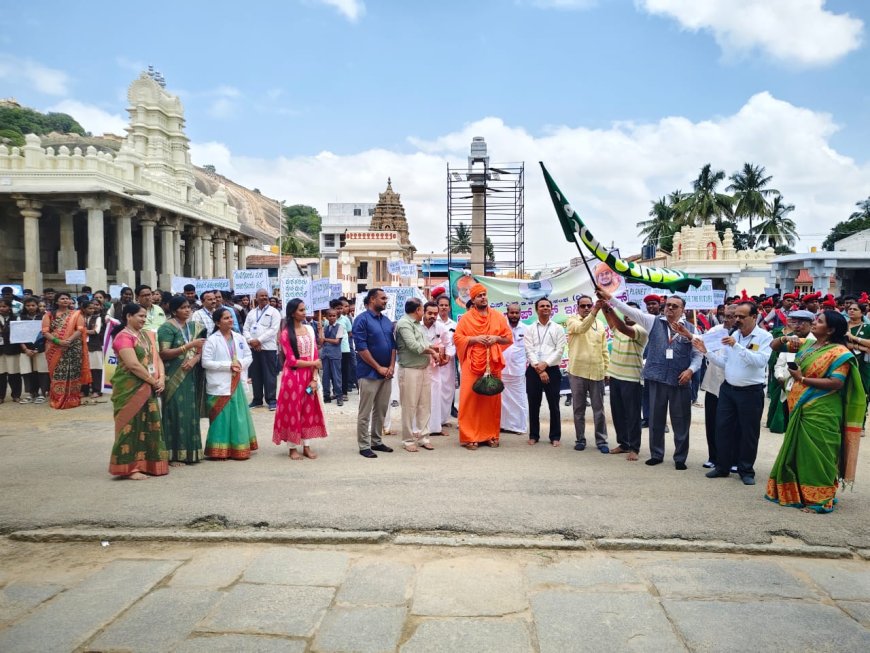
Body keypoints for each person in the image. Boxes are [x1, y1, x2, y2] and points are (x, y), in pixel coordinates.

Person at [766, 310, 866, 513]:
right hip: (801, 407)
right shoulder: (809, 344)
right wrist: (786, 337)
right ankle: (800, 493)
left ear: (830, 329)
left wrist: (801, 379)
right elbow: (774, 346)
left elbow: (836, 383)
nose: (814, 323)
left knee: (819, 454)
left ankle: (820, 500)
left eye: (819, 322)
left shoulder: (840, 353)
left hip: (823, 410)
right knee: (801, 451)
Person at [600, 288, 701, 469]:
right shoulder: (653, 322)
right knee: (655, 419)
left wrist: (691, 371)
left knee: (681, 421)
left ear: (682, 310)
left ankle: (680, 458)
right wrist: (610, 299)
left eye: (674, 306)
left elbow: (698, 355)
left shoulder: (692, 330)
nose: (669, 308)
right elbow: (630, 311)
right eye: (667, 305)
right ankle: (656, 454)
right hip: (656, 379)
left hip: (680, 380)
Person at [695, 301, 773, 485]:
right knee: (722, 429)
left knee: (748, 432)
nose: (737, 319)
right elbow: (725, 363)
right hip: (728, 390)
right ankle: (722, 467)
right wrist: (706, 352)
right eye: (735, 316)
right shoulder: (734, 334)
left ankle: (746, 470)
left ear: (754, 317)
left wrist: (737, 346)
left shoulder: (764, 337)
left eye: (741, 316)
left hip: (750, 392)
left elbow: (759, 362)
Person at [108, 303, 169, 479]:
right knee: (130, 425)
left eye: (145, 316)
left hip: (150, 386)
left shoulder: (147, 335)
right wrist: (153, 381)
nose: (143, 319)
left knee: (150, 423)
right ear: (128, 316)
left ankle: (149, 463)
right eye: (140, 316)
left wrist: (162, 378)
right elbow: (133, 365)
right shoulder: (122, 337)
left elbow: (157, 358)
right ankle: (129, 468)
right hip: (130, 387)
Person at [453, 283, 512, 450]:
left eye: (485, 294)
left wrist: (496, 339)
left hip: (492, 363)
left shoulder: (498, 317)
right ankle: (469, 436)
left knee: (491, 399)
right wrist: (474, 339)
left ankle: (490, 435)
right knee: (470, 400)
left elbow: (507, 338)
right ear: (473, 299)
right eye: (479, 296)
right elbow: (457, 339)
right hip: (472, 363)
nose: (483, 298)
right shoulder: (466, 319)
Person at [273, 298, 328, 460]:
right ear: (292, 313)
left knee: (308, 410)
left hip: (308, 376)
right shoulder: (285, 334)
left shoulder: (309, 330)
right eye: (301, 310)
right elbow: (291, 361)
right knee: (293, 410)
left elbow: (315, 354)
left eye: (305, 309)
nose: (305, 313)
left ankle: (306, 446)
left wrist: (314, 378)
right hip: (292, 377)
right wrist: (313, 363)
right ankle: (292, 448)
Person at [201, 307, 258, 460]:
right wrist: (228, 365)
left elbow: (249, 356)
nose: (230, 320)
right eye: (226, 318)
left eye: (231, 317)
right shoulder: (212, 340)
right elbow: (206, 362)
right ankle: (219, 451)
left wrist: (239, 363)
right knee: (222, 417)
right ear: (218, 323)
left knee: (238, 415)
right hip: (220, 384)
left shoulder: (239, 338)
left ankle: (239, 448)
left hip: (237, 381)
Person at [157, 296, 207, 466]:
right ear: (174, 310)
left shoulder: (193, 327)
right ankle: (173, 455)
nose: (188, 310)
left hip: (190, 376)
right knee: (174, 413)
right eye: (183, 307)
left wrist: (194, 359)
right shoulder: (166, 328)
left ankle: (191, 453)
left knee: (190, 412)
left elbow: (201, 350)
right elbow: (163, 353)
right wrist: (188, 346)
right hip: (173, 376)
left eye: (189, 307)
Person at [600, 300, 648, 461]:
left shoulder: (641, 330)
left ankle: (634, 447)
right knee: (618, 413)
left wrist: (609, 307)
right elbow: (612, 322)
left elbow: (620, 326)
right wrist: (604, 306)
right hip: (615, 376)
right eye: (626, 313)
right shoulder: (620, 328)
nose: (628, 315)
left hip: (631, 379)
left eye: (632, 312)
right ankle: (624, 443)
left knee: (633, 415)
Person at [352, 288, 397, 459]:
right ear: (372, 300)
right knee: (365, 412)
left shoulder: (386, 321)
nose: (385, 301)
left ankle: (376, 441)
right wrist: (378, 367)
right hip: (369, 373)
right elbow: (361, 348)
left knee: (381, 409)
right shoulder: (361, 320)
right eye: (382, 298)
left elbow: (393, 346)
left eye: (386, 298)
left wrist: (391, 366)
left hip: (387, 372)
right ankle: (364, 445)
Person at [566, 295, 610, 453]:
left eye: (589, 305)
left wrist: (606, 369)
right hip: (577, 371)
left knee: (599, 409)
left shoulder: (600, 324)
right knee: (579, 408)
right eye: (583, 306)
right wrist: (596, 311)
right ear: (577, 308)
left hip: (597, 371)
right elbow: (582, 328)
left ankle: (601, 440)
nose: (586, 308)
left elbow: (604, 349)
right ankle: (580, 439)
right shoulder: (572, 320)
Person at [395, 298, 438, 452]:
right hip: (410, 370)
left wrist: (435, 348)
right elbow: (413, 345)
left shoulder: (418, 325)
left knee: (425, 405)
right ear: (418, 310)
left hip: (424, 368)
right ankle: (407, 440)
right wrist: (432, 351)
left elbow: (425, 343)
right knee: (409, 406)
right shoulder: (404, 324)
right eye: (422, 310)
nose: (424, 314)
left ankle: (424, 437)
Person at [698, 304, 737, 467]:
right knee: (712, 422)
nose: (727, 319)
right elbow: (700, 345)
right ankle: (713, 457)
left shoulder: (743, 335)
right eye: (725, 316)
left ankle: (735, 460)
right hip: (714, 384)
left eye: (732, 316)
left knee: (734, 425)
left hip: (735, 385)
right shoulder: (715, 331)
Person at [523, 297, 565, 446]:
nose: (545, 308)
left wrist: (545, 364)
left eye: (548, 306)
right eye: (542, 306)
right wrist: (539, 369)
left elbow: (560, 350)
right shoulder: (530, 328)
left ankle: (555, 436)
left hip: (552, 370)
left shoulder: (558, 328)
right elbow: (529, 350)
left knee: (554, 405)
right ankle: (534, 435)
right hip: (534, 370)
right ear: (536, 309)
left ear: (551, 309)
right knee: (533, 404)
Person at [41, 291, 91, 409]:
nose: (65, 300)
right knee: (58, 372)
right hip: (54, 348)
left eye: (67, 298)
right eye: (62, 298)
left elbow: (80, 330)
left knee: (73, 371)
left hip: (73, 347)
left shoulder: (77, 314)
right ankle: (58, 398)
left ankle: (72, 398)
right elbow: (45, 332)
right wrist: (59, 342)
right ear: (57, 301)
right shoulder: (49, 315)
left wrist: (68, 341)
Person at [768, 310, 815, 434]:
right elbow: (779, 363)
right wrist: (780, 378)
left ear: (811, 324)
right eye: (795, 322)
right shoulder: (791, 339)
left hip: (808, 391)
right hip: (787, 389)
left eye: (802, 322)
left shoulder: (816, 341)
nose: (797, 325)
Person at [243, 288, 282, 411]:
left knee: (269, 375)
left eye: (266, 296)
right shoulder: (251, 313)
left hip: (268, 348)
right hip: (253, 348)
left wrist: (258, 340)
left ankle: (271, 400)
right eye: (261, 296)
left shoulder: (274, 312)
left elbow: (273, 330)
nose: (264, 298)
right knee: (255, 374)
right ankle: (257, 399)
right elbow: (245, 329)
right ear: (256, 297)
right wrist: (251, 341)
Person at [500, 302, 529, 436]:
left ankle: (518, 427)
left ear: (520, 314)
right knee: (502, 400)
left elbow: (529, 349)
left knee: (519, 400)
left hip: (518, 370)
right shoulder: (500, 326)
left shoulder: (526, 329)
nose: (514, 315)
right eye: (511, 312)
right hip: (502, 369)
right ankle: (503, 425)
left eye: (516, 313)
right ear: (507, 312)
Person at [421, 301, 449, 436]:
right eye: (430, 313)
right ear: (423, 312)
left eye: (435, 314)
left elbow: (449, 344)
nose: (432, 316)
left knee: (435, 397)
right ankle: (419, 428)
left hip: (435, 368)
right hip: (419, 366)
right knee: (420, 398)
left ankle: (435, 428)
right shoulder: (417, 326)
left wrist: (447, 356)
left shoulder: (441, 327)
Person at [17, 297, 48, 403]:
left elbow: (46, 334)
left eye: (33, 305)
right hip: (25, 350)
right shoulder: (20, 318)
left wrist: (38, 349)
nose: (31, 307)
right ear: (25, 306)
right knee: (28, 372)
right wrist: (25, 349)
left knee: (42, 371)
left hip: (41, 349)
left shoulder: (44, 317)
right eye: (28, 305)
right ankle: (31, 393)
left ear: (37, 306)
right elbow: (18, 336)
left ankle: (42, 393)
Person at [435, 292, 458, 425]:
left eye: (446, 305)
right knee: (436, 389)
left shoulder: (454, 325)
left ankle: (444, 419)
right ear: (437, 306)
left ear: (449, 308)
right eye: (441, 305)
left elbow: (455, 343)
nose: (443, 307)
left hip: (449, 362)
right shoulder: (433, 321)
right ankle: (435, 420)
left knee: (448, 390)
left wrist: (449, 356)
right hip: (435, 362)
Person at [640, 294, 662, 427]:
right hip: (645, 362)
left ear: (659, 305)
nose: (651, 306)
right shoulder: (643, 321)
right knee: (646, 392)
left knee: (660, 395)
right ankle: (647, 418)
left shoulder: (665, 320)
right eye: (648, 304)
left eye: (653, 303)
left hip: (660, 363)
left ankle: (660, 421)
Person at [319, 307, 345, 406]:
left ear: (337, 316)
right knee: (325, 376)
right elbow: (320, 342)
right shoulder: (324, 328)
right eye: (330, 316)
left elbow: (336, 341)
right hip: (325, 355)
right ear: (326, 317)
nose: (332, 317)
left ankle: (339, 396)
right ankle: (326, 396)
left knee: (336, 376)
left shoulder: (340, 327)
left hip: (335, 355)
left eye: (334, 316)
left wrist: (325, 339)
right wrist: (320, 332)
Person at [844, 302, 870, 395]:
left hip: (862, 363)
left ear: (862, 313)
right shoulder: (843, 326)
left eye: (855, 309)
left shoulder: (867, 327)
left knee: (862, 390)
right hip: (844, 360)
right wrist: (861, 347)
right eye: (850, 309)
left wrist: (854, 338)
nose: (851, 311)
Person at [0, 299, 22, 404]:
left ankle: (16, 395)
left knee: (14, 373)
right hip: (0, 350)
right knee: (1, 374)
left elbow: (19, 333)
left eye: (4, 306)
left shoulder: (16, 318)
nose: (2, 308)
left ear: (9, 308)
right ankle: (1, 396)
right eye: (0, 306)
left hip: (12, 349)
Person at [83, 299, 104, 401]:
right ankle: (84, 390)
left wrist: (81, 331)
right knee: (85, 369)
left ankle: (97, 390)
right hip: (83, 346)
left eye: (93, 308)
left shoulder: (98, 318)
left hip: (95, 346)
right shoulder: (80, 318)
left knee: (96, 369)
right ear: (84, 309)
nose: (92, 310)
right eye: (89, 308)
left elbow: (96, 331)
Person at [336, 297, 355, 401]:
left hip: (344, 348)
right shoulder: (329, 320)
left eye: (340, 308)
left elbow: (349, 332)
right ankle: (336, 391)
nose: (339, 310)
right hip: (334, 350)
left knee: (344, 371)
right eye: (337, 308)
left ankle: (344, 392)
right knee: (335, 372)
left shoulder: (346, 319)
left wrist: (343, 340)